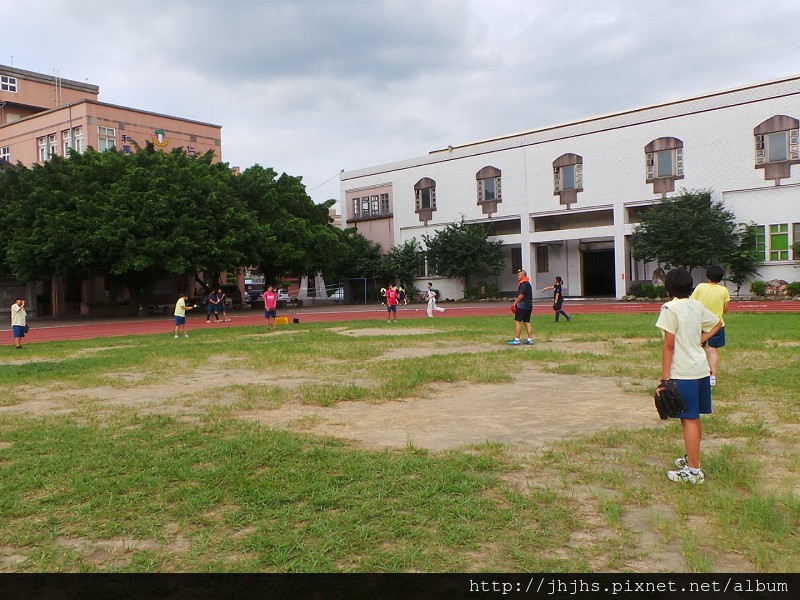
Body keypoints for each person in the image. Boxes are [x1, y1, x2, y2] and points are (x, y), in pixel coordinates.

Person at [656, 268, 721, 485]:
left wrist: (665, 379)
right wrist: (700, 340)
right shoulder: (696, 305)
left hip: (683, 371)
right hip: (701, 369)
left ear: (668, 288)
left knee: (689, 419)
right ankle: (693, 460)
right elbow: (718, 323)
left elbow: (669, 345)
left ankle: (694, 471)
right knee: (694, 417)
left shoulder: (669, 308)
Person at [690, 265, 730, 387]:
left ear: (707, 276)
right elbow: (725, 309)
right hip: (717, 324)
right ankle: (712, 377)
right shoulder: (724, 290)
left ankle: (701, 373)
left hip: (700, 323)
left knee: (700, 349)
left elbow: (692, 302)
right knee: (713, 351)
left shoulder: (700, 287)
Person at [508, 270, 534, 345]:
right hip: (529, 305)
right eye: (518, 275)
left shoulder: (523, 284)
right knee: (527, 322)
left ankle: (517, 339)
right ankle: (529, 339)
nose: (518, 277)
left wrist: (515, 303)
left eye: (519, 275)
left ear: (524, 276)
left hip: (522, 306)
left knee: (517, 321)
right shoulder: (528, 283)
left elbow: (521, 295)